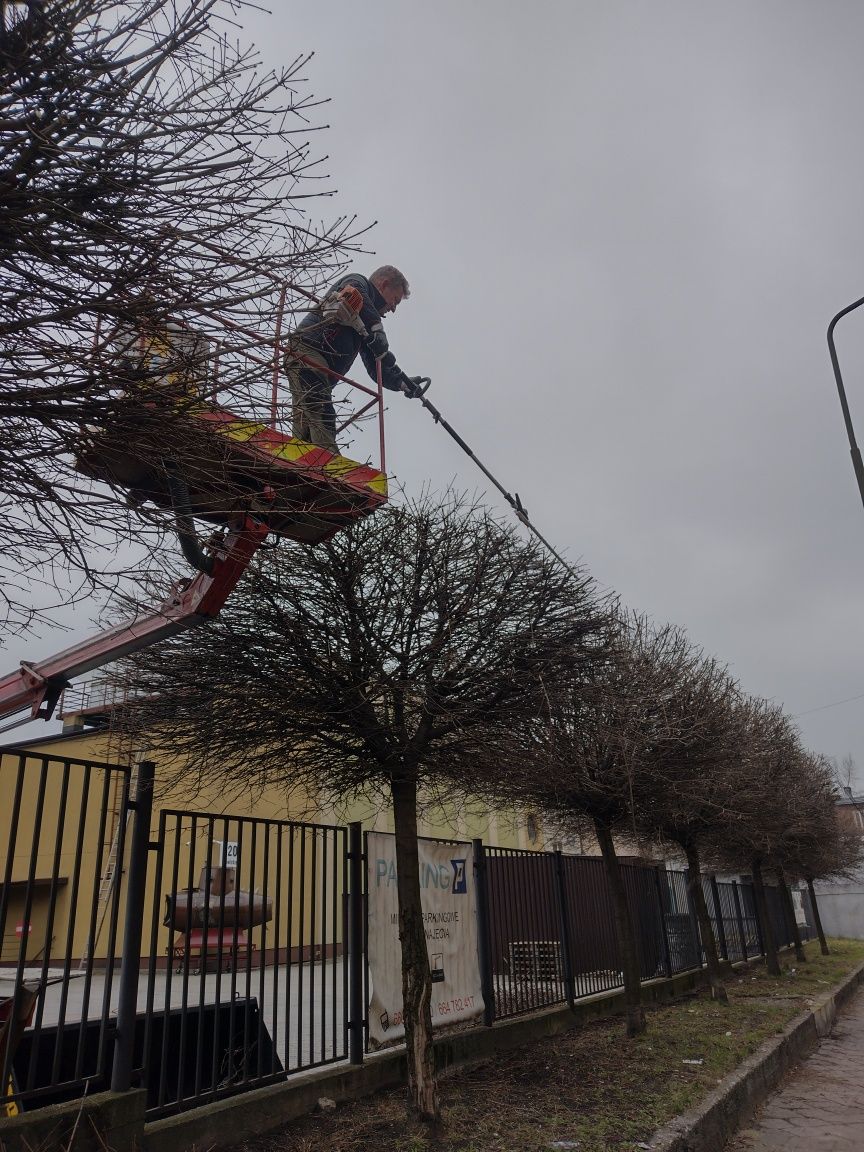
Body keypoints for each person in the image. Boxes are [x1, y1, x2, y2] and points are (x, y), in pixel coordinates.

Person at [284, 265, 426, 453]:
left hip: (317, 367)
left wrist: (401, 382)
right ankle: (330, 473)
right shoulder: (358, 282)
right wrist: (377, 327)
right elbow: (355, 290)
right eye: (395, 301)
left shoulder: (363, 324)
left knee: (305, 428)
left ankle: (298, 470)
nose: (393, 309)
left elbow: (376, 367)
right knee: (321, 413)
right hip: (306, 351)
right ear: (384, 285)